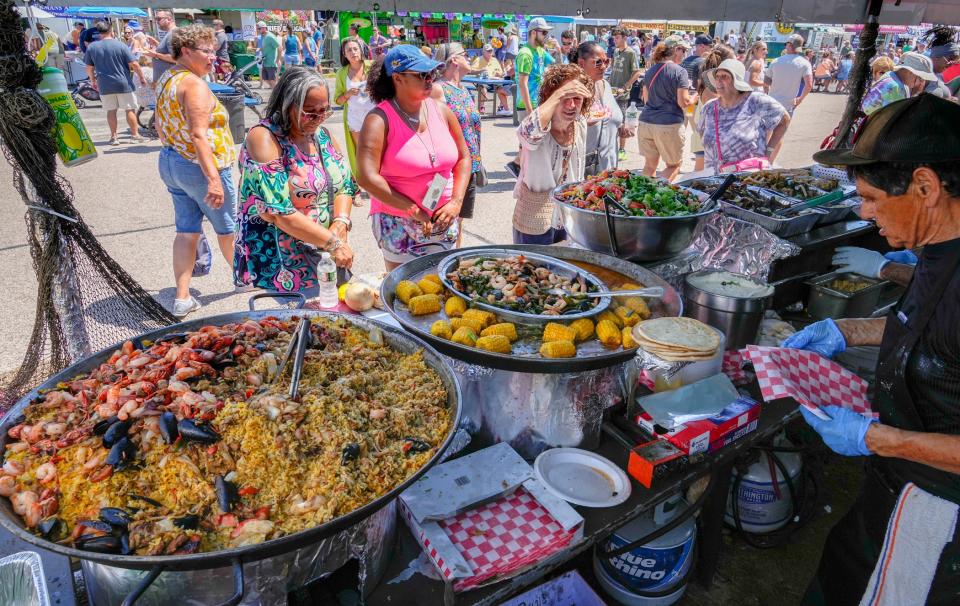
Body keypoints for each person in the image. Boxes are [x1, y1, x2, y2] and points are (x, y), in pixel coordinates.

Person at [782, 94, 960, 606]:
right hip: (895, 481)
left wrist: (879, 438)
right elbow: (926, 324)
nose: (863, 212)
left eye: (871, 197)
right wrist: (848, 331)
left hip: (940, 510)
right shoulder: (939, 247)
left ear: (925, 186)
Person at [235, 68, 357, 296]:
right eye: (310, 112)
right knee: (298, 324)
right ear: (287, 105)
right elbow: (278, 211)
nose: (319, 119)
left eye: (324, 111)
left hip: (325, 251)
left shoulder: (322, 135)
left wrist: (340, 222)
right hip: (285, 259)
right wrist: (334, 243)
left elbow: (345, 185)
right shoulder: (264, 138)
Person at [355, 45, 471, 270]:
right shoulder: (378, 119)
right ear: (398, 78)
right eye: (422, 75)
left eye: (432, 74)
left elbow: (463, 158)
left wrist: (456, 202)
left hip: (443, 219)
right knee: (407, 292)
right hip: (399, 223)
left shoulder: (441, 110)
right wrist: (414, 211)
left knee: (446, 286)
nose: (430, 80)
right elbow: (367, 178)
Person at [154, 24, 237, 317]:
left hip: (172, 160)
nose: (213, 56)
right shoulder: (194, 84)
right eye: (206, 51)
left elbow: (159, 126)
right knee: (227, 227)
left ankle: (182, 296)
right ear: (186, 51)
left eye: (213, 50)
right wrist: (213, 179)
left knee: (187, 230)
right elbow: (199, 134)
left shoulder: (168, 78)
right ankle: (244, 278)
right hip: (200, 166)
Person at [512, 64, 593, 244]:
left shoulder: (579, 125)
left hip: (570, 217)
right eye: (565, 97)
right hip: (536, 218)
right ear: (551, 97)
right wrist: (558, 94)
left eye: (577, 99)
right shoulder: (539, 126)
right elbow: (526, 133)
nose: (571, 105)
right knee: (531, 269)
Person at [697, 59, 788, 174]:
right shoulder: (709, 108)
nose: (718, 80)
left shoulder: (756, 101)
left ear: (736, 80)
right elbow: (702, 134)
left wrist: (769, 152)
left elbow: (784, 119)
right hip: (715, 179)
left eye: (724, 76)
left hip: (748, 178)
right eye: (717, 76)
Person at [433, 43, 482, 242]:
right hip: (446, 168)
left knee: (458, 221)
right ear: (454, 60)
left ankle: (455, 263)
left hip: (468, 166)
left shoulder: (463, 89)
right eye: (465, 54)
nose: (469, 58)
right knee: (438, 217)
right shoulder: (438, 89)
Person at [637, 35, 696, 182]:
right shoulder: (679, 71)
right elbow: (683, 102)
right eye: (683, 50)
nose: (684, 54)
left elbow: (646, 100)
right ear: (676, 49)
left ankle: (643, 198)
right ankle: (657, 194)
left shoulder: (650, 70)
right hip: (669, 124)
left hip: (646, 123)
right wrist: (696, 97)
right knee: (674, 166)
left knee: (650, 167)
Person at [84, 21, 146, 146]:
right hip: (123, 82)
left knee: (111, 111)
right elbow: (134, 64)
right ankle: (135, 135)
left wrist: (93, 80)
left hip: (104, 84)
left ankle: (114, 137)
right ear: (111, 30)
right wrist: (142, 77)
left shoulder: (92, 47)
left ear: (98, 32)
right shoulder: (120, 45)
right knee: (129, 109)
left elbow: (89, 68)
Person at [574, 41, 623, 174]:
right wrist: (582, 122)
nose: (603, 67)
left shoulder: (605, 85)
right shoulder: (573, 90)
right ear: (581, 63)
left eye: (606, 62)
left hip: (609, 167)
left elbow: (611, 117)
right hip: (584, 170)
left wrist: (620, 127)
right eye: (598, 62)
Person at [690, 45, 737, 171]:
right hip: (707, 138)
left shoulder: (711, 82)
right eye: (732, 60)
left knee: (704, 176)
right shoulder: (711, 85)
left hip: (707, 137)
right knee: (701, 178)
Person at [334, 39, 375, 177]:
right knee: (361, 152)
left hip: (374, 117)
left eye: (355, 49)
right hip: (354, 118)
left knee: (377, 149)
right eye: (349, 50)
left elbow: (386, 88)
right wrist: (347, 94)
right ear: (344, 55)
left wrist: (374, 89)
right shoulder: (341, 73)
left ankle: (380, 178)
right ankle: (367, 181)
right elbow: (338, 101)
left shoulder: (372, 66)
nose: (353, 52)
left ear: (361, 50)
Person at [861, 52, 937, 116]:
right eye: (921, 79)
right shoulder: (895, 87)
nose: (921, 82)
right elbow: (894, 118)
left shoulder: (891, 75)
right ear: (911, 73)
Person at [609, 27, 642, 162]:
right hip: (612, 91)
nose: (614, 40)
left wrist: (625, 87)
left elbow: (637, 72)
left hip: (622, 94)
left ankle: (622, 149)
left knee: (621, 122)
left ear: (624, 38)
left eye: (617, 37)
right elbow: (613, 69)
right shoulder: (616, 51)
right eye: (614, 38)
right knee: (610, 120)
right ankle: (611, 147)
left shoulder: (630, 53)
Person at [515, 18, 555, 121]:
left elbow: (556, 65)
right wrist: (529, 112)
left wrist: (558, 50)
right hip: (527, 107)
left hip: (539, 104)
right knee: (531, 137)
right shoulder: (525, 54)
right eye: (544, 32)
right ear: (533, 33)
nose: (546, 36)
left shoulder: (540, 50)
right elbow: (523, 84)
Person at [765, 34, 813, 115]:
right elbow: (809, 85)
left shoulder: (775, 61)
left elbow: (766, 83)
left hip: (772, 103)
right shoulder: (805, 63)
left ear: (789, 45)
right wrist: (800, 99)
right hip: (788, 105)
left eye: (786, 44)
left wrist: (767, 95)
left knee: (768, 127)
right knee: (782, 127)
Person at [470, 44, 511, 115]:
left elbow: (501, 72)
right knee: (483, 90)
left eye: (491, 51)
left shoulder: (494, 60)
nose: (490, 53)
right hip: (482, 82)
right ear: (483, 52)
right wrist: (480, 70)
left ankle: (504, 108)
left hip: (494, 82)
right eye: (488, 51)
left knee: (502, 89)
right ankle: (481, 107)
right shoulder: (479, 59)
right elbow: (470, 70)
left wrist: (499, 73)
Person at [144, 10, 176, 83]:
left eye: (159, 19)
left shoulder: (173, 34)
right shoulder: (170, 33)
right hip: (164, 80)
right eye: (156, 19)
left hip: (169, 81)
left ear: (169, 19)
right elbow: (167, 50)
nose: (156, 22)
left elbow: (175, 58)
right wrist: (155, 42)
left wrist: (155, 54)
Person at [258, 22, 281, 89]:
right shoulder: (265, 36)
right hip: (265, 62)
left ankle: (277, 93)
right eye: (258, 29)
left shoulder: (270, 36)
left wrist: (277, 59)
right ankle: (275, 91)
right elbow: (266, 47)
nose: (258, 30)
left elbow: (280, 47)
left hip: (271, 63)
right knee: (265, 79)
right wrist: (259, 49)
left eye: (259, 28)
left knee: (272, 80)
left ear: (264, 28)